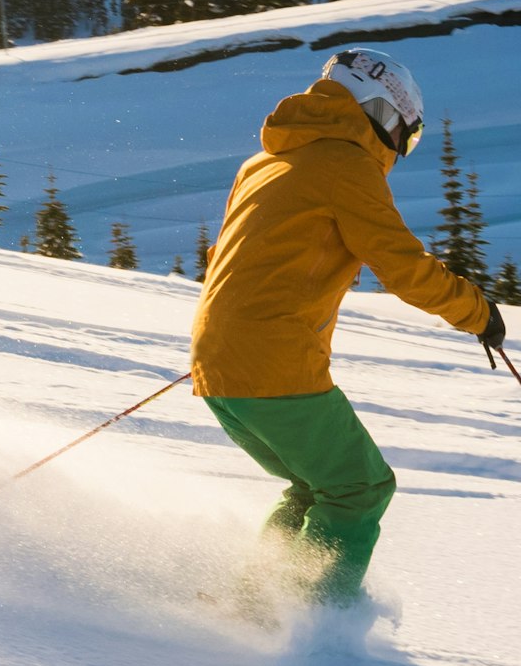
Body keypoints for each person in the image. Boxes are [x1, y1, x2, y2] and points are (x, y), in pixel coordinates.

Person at [190, 48, 501, 609]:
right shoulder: (345, 165)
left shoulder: (263, 163)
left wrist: (230, 340)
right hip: (271, 357)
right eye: (406, 136)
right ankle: (311, 619)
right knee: (360, 489)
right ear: (382, 112)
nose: (401, 150)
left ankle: (259, 605)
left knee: (315, 487)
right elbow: (402, 264)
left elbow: (227, 256)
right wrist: (477, 312)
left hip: (218, 360)